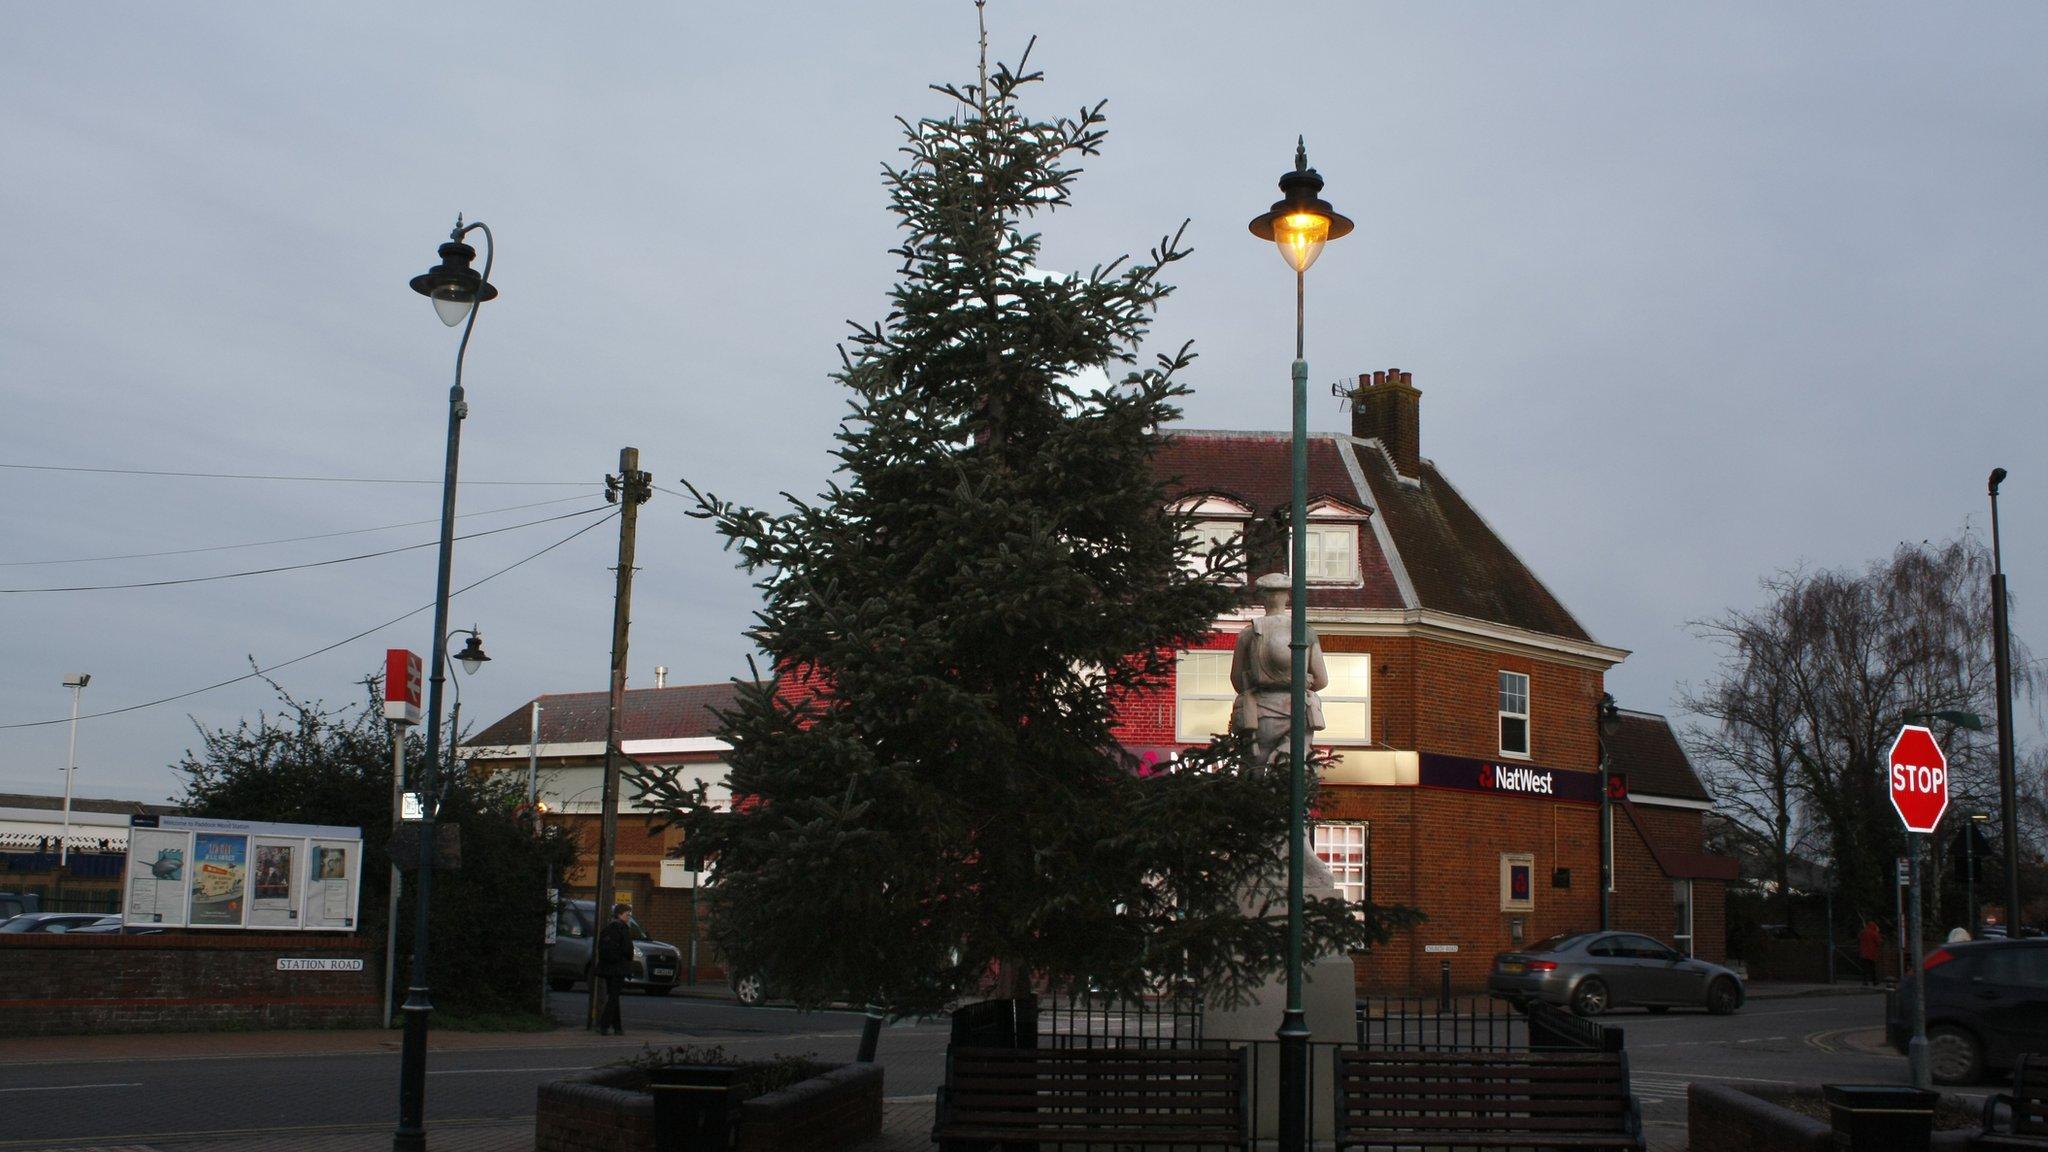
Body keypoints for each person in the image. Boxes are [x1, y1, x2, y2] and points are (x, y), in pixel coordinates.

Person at [1230, 573, 1329, 766]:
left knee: (1254, 769)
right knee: (1295, 768)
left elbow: (1236, 679)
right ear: (1287, 597)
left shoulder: (1248, 634)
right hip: (1299, 711)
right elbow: (1322, 680)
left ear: (1263, 598)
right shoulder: (1306, 632)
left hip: (1260, 712)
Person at [596, 902, 634, 1035]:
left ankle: (617, 1027)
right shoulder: (622, 929)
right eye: (627, 914)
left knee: (614, 996)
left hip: (607, 968)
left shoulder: (608, 928)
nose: (628, 917)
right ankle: (604, 1024)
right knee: (613, 997)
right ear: (619, 915)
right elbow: (628, 949)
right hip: (619, 968)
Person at [1857, 919, 1882, 986]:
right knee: (1872, 968)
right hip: (1872, 953)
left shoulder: (1863, 932)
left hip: (1863, 953)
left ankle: (1865, 981)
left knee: (1864, 968)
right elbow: (1878, 942)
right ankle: (1874, 981)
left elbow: (1859, 937)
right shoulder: (1874, 933)